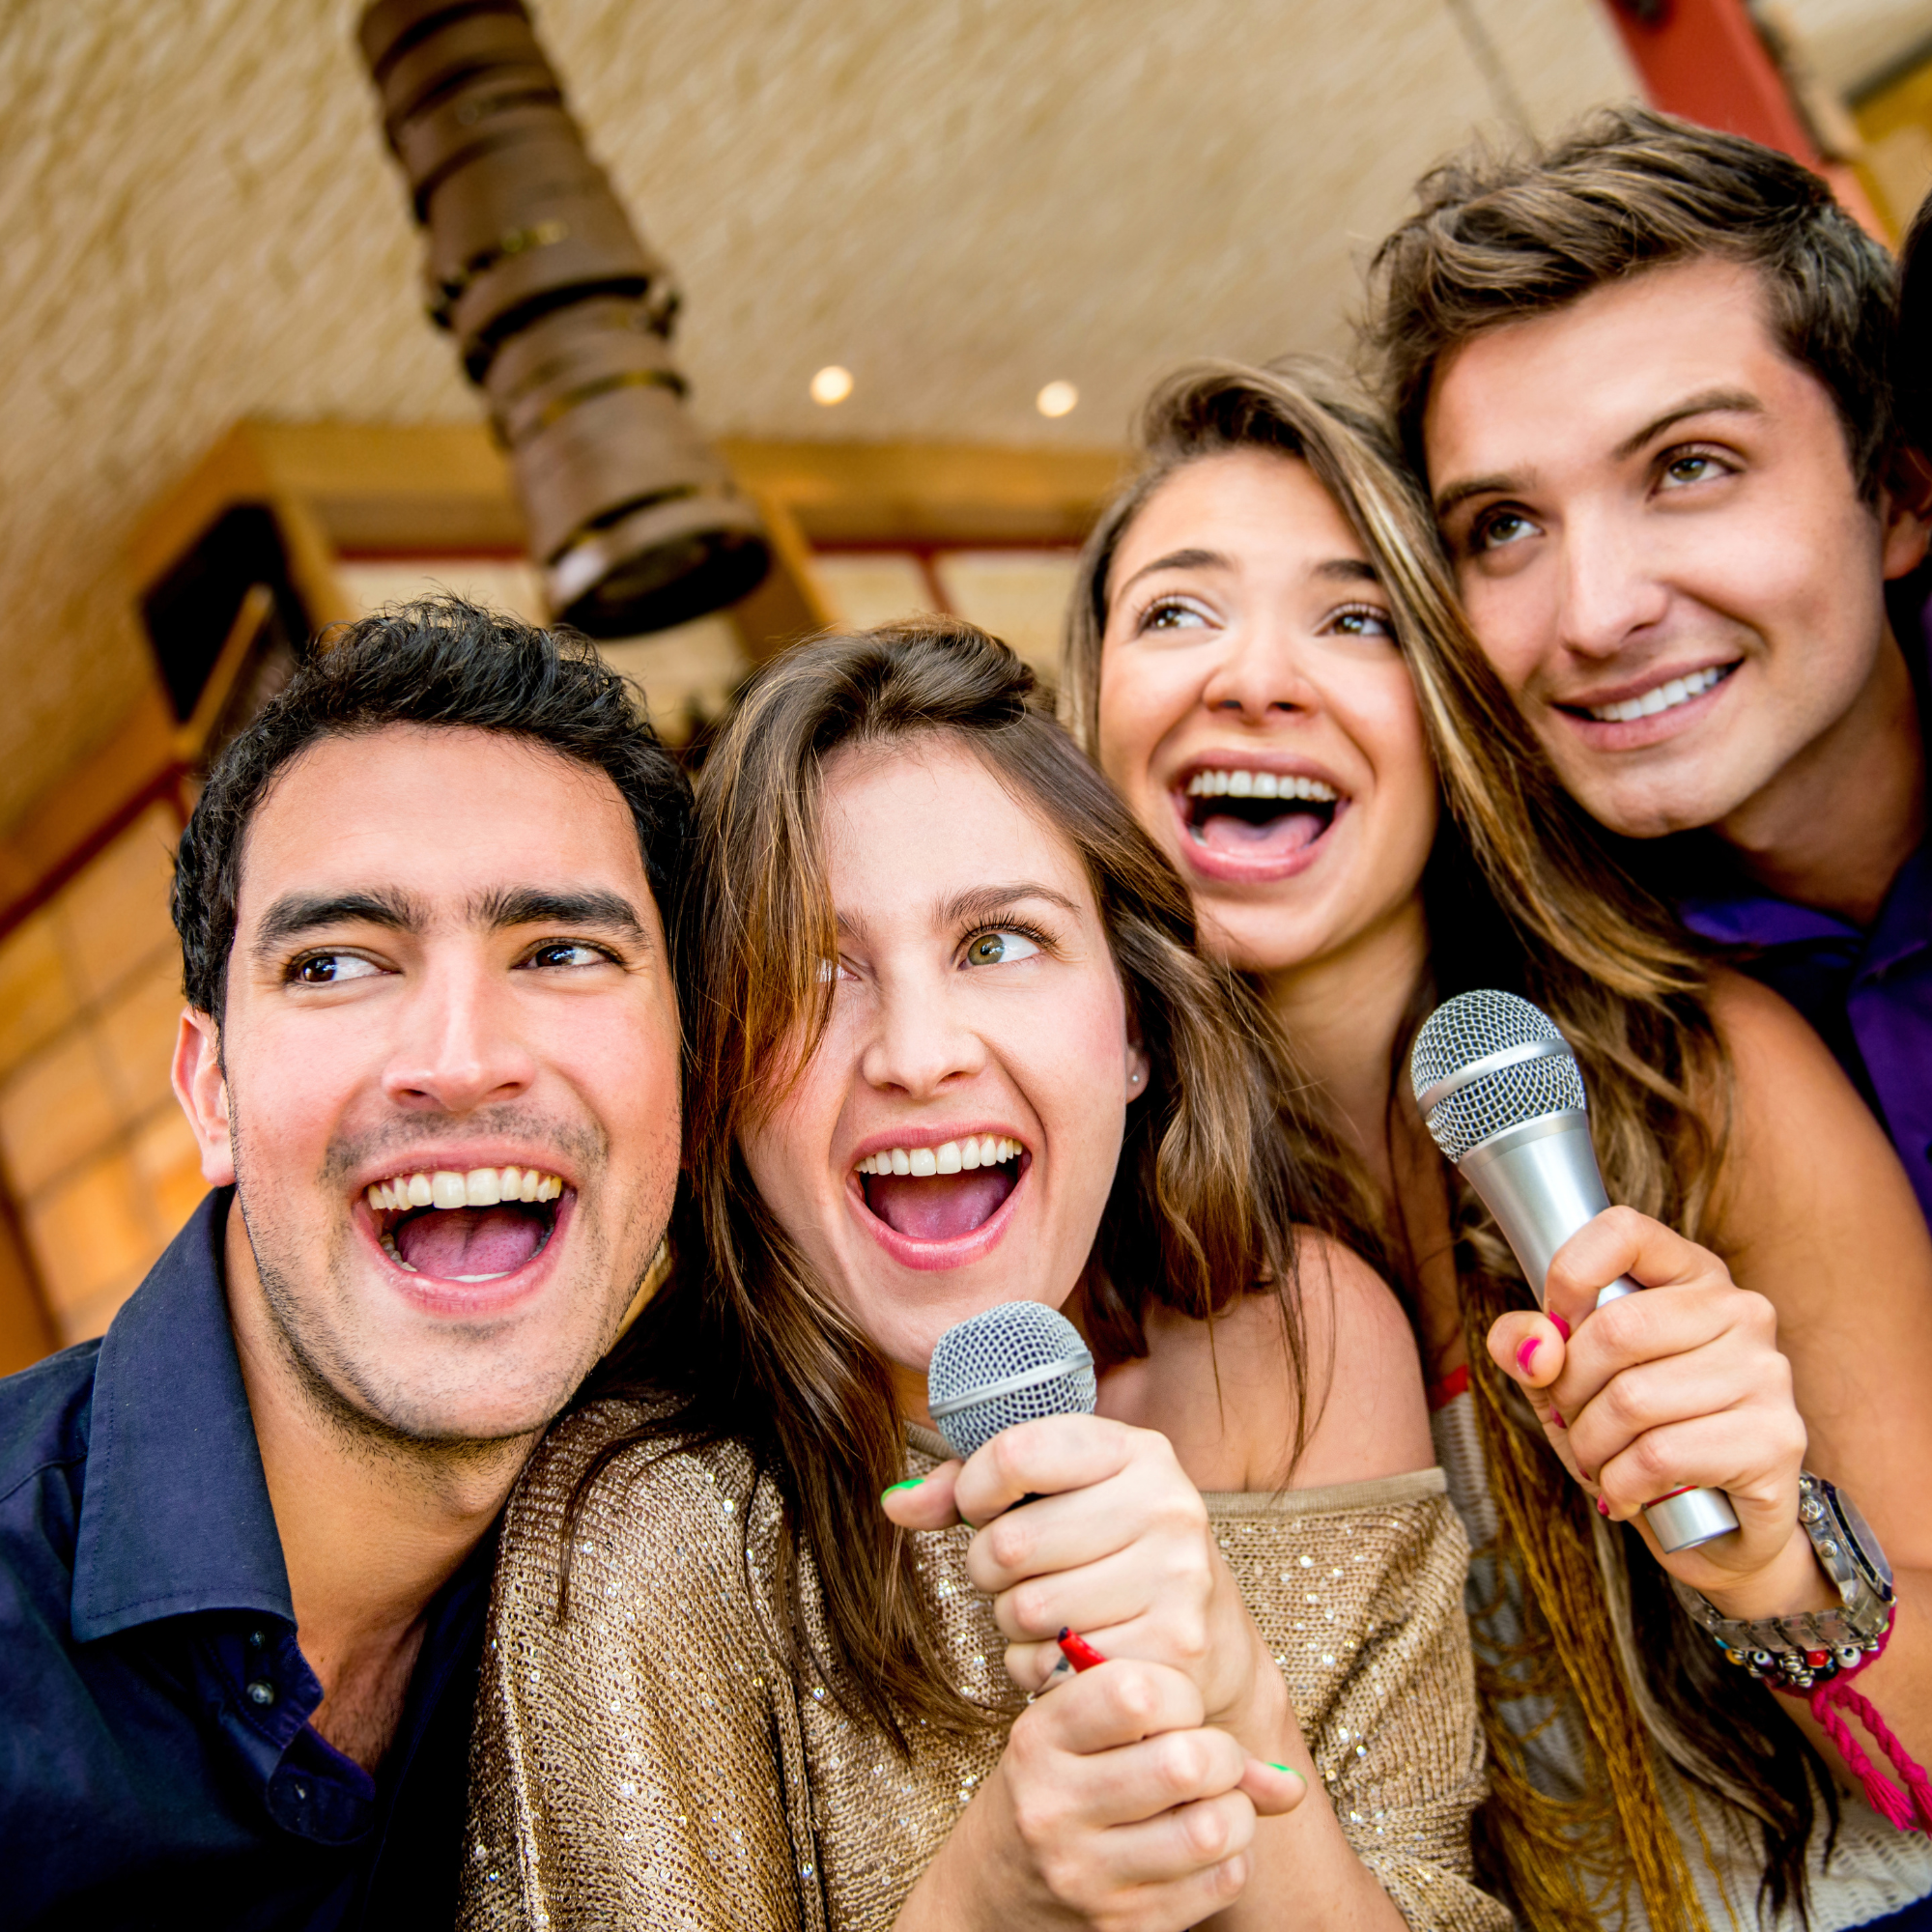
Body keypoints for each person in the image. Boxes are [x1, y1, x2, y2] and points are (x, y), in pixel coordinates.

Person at [461, 619, 1508, 1932]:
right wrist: (994, 1898)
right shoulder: (635, 1525)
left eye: (999, 942)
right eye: (812, 968)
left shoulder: (1300, 1345)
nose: (918, 1051)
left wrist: (1234, 1703)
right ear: (721, 1085)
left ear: (1134, 1022)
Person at [1063, 356, 1932, 1930]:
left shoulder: (1695, 1078)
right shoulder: (1069, 1238)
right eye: (1178, 613)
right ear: (1091, 714)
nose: (1253, 678)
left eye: (1355, 618)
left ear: (1454, 703)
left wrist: (1775, 1569)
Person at [0, 596, 688, 1927]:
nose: (458, 1056)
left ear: (689, 1073)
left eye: (559, 952)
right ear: (211, 1094)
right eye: (335, 965)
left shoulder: (682, 1550)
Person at [1364, 105, 1932, 1239]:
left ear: (1899, 499)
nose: (1594, 614)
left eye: (1687, 466)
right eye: (1504, 524)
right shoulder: (1508, 1016)